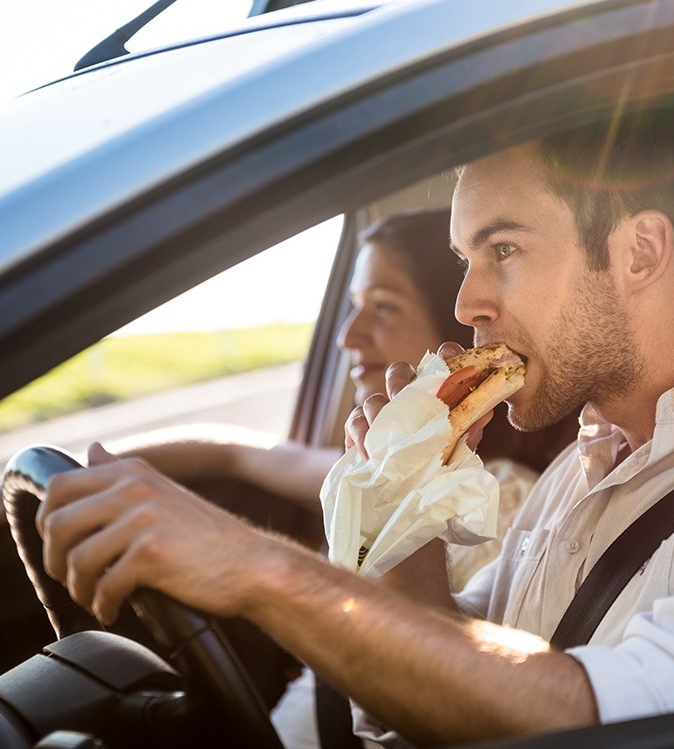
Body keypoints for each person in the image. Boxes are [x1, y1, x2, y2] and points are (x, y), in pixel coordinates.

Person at [38, 106, 674, 748]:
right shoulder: (588, 466)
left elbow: (596, 725)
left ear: (642, 249)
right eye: (463, 257)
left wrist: (257, 568)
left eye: (505, 251)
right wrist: (400, 516)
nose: (467, 301)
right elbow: (452, 678)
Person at [104, 208, 574, 748]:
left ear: (456, 328)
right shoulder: (376, 471)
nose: (350, 335)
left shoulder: (502, 498)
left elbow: (464, 697)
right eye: (353, 307)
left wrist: (252, 567)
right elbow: (239, 453)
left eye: (384, 306)